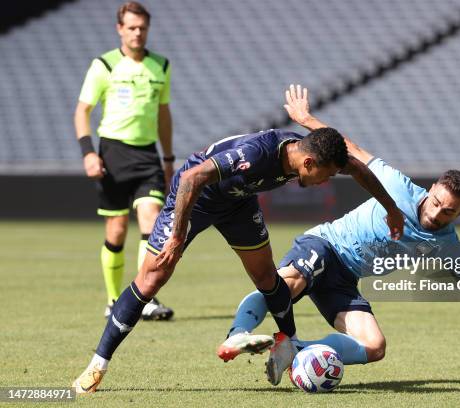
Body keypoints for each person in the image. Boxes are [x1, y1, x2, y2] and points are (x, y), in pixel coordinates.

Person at [71, 84, 405, 394]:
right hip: (196, 197)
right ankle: (97, 365)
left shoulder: (313, 152)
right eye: (326, 175)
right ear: (308, 162)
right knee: (152, 278)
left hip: (239, 202)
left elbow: (359, 168)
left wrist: (390, 208)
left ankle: (288, 340)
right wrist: (176, 238)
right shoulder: (256, 154)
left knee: (266, 276)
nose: (326, 181)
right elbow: (191, 177)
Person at [217, 86, 460, 386]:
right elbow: (349, 148)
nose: (437, 212)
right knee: (286, 286)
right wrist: (307, 118)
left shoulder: (449, 245)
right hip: (326, 245)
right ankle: (238, 335)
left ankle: (296, 349)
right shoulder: (397, 185)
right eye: (437, 201)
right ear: (433, 188)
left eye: (448, 211)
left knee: (374, 346)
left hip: (346, 278)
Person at [74, 2, 174, 320]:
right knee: (116, 230)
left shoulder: (161, 65)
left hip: (147, 155)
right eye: (131, 27)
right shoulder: (104, 65)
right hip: (113, 153)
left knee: (152, 221)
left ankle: (145, 298)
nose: (137, 33)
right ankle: (113, 298)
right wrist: (89, 152)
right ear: (120, 29)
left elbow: (163, 114)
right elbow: (82, 111)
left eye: (142, 27)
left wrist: (168, 157)